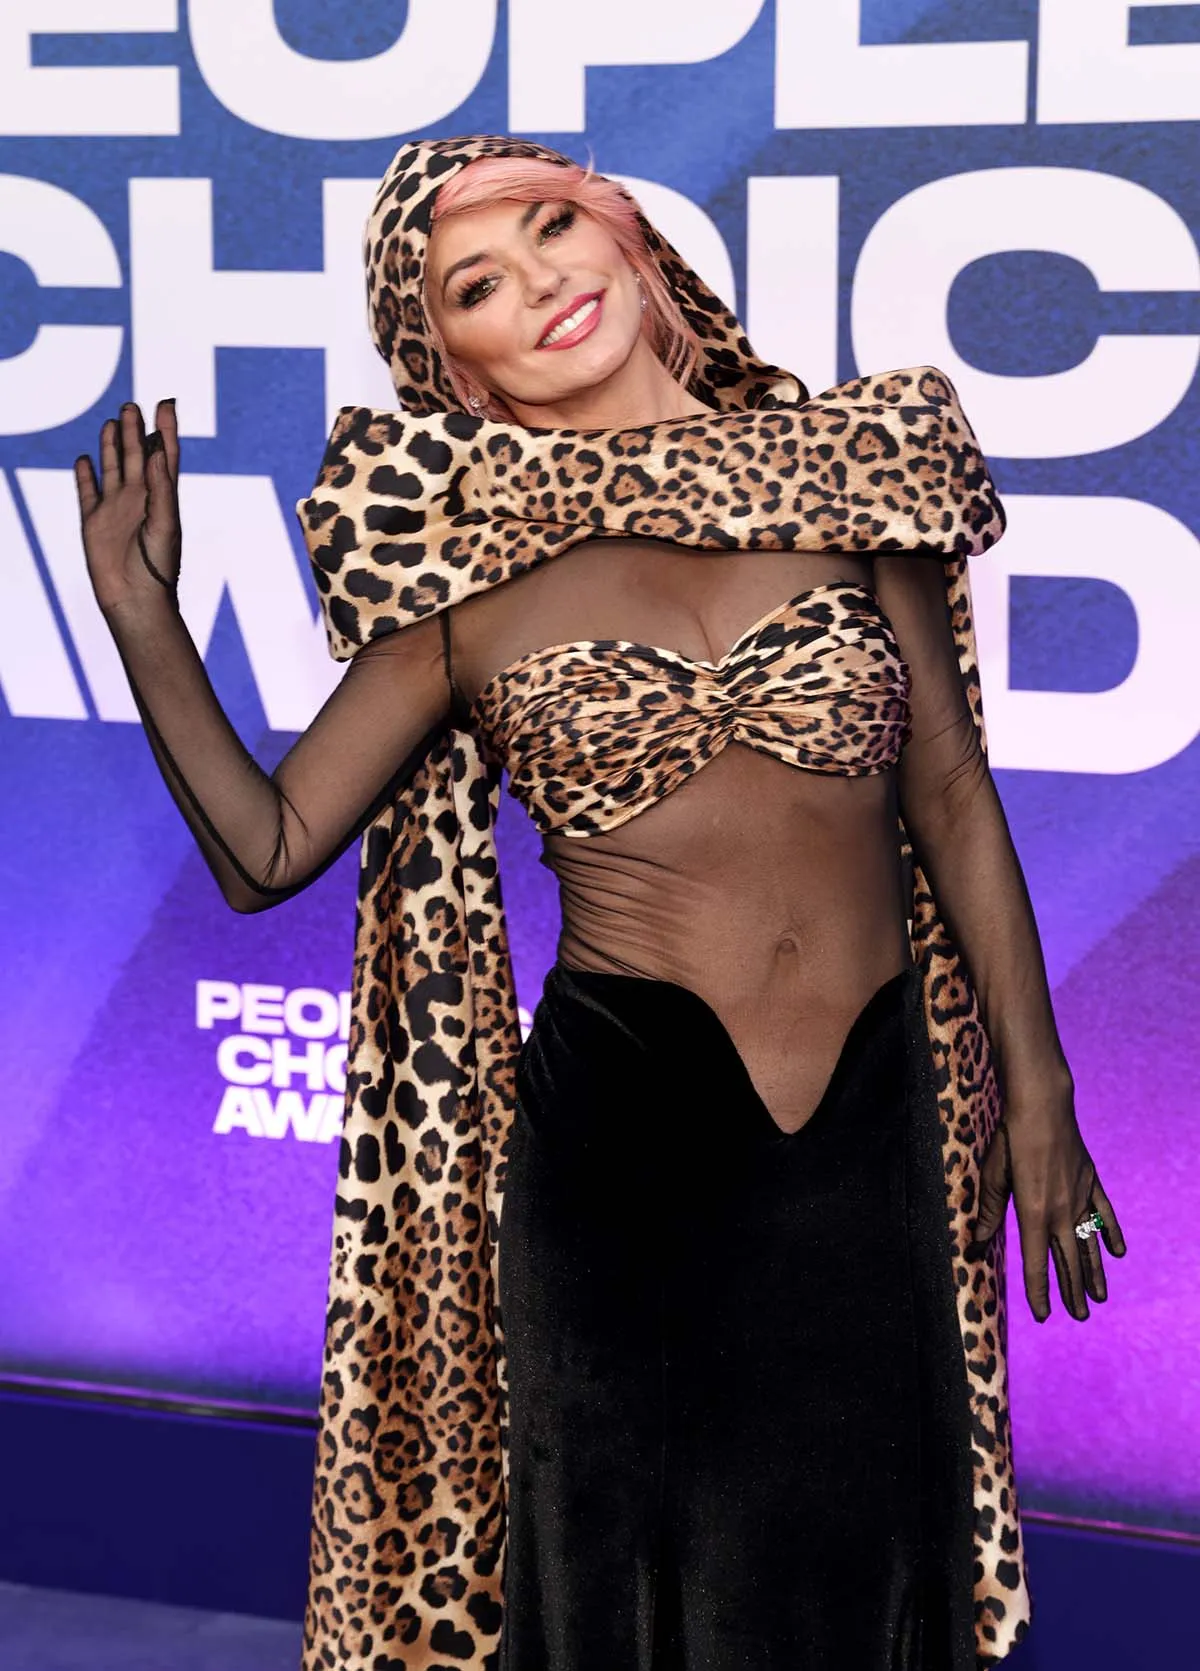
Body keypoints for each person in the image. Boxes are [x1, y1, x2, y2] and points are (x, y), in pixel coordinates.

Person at [75, 136, 1125, 1671]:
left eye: (554, 224)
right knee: (631, 1590)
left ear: (630, 239)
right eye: (478, 284)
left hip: (871, 1138)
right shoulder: (469, 588)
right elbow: (269, 847)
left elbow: (954, 793)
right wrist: (140, 611)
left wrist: (1038, 1090)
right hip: (624, 1158)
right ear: (460, 366)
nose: (540, 280)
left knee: (867, 1577)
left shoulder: (846, 476)